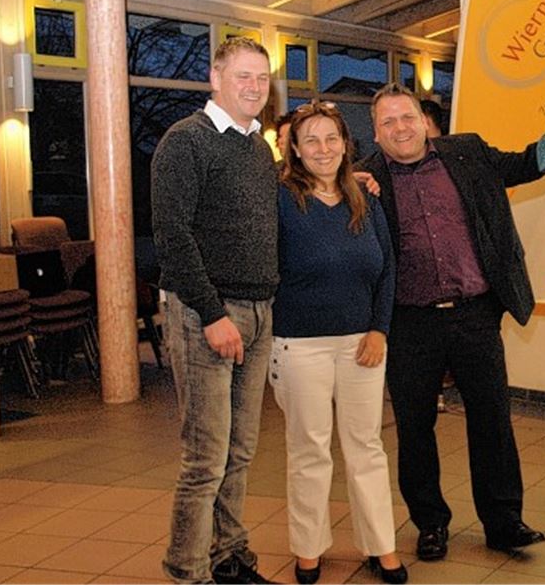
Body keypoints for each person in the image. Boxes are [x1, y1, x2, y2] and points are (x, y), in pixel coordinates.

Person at [360, 78, 545, 561]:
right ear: (375, 133)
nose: (400, 128)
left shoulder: (466, 153)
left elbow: (528, 164)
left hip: (475, 315)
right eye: (388, 122)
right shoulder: (365, 179)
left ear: (424, 122)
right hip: (409, 323)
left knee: (492, 420)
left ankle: (503, 521)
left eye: (407, 117)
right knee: (414, 428)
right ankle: (430, 524)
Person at [152, 36, 278, 584]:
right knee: (205, 458)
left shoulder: (259, 147)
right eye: (243, 76)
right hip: (206, 314)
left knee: (241, 451)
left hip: (258, 312)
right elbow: (172, 235)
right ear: (216, 77)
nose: (254, 88)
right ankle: (187, 572)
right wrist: (211, 314)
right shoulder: (186, 141)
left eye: (262, 78)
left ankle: (229, 557)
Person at [271, 101, 406, 585]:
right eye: (311, 141)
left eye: (332, 139)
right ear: (295, 150)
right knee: (309, 449)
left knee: (366, 447)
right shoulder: (278, 196)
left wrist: (379, 329)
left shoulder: (364, 198)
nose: (323, 149)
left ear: (346, 145)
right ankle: (308, 549)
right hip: (298, 344)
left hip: (362, 344)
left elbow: (388, 267)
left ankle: (380, 546)